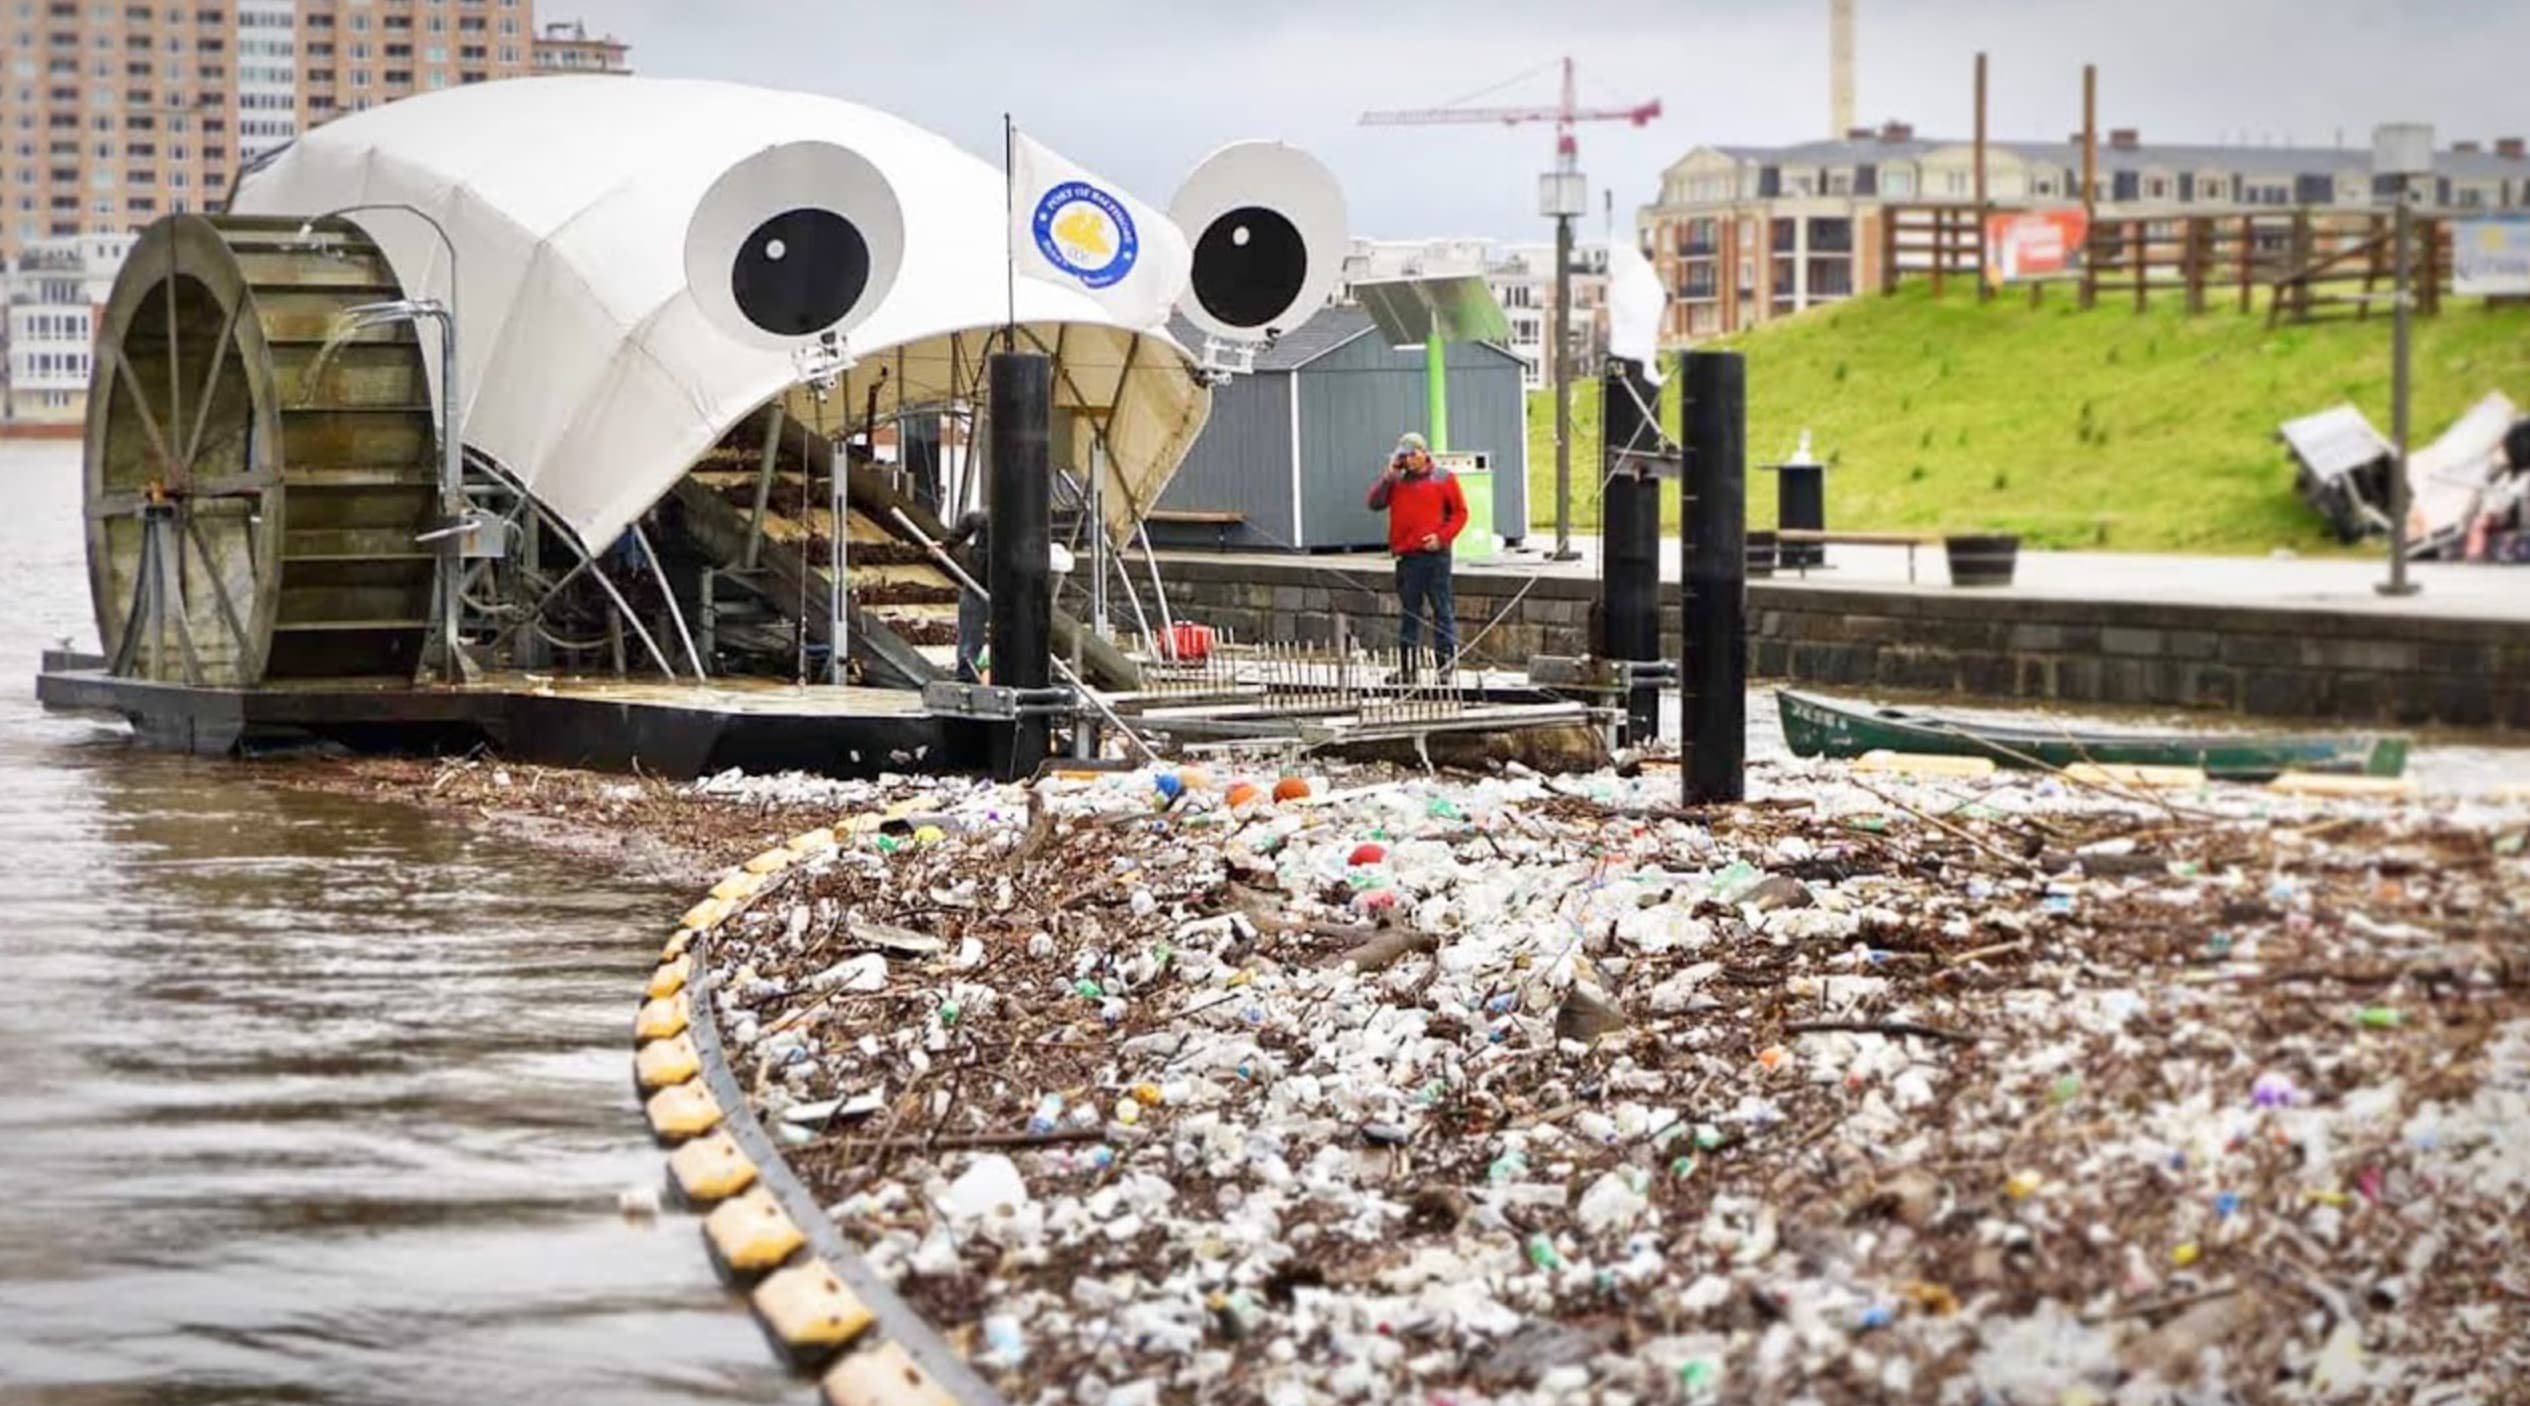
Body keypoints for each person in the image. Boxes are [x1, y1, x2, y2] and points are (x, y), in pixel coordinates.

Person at [1364, 431, 1467, 681]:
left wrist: (1441, 538)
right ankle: (1408, 669)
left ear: (1424, 453)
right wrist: (1388, 477)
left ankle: (1445, 667)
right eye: (1403, 456)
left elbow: (1460, 514)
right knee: (1410, 614)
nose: (1408, 460)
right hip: (1407, 557)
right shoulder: (1396, 481)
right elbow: (1374, 503)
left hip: (1435, 556)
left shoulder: (1444, 478)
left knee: (1442, 610)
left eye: (1412, 454)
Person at [941, 508, 989, 682]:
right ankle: (966, 674)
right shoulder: (987, 518)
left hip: (1005, 587)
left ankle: (974, 672)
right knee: (970, 633)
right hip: (977, 584)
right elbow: (971, 520)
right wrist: (947, 543)